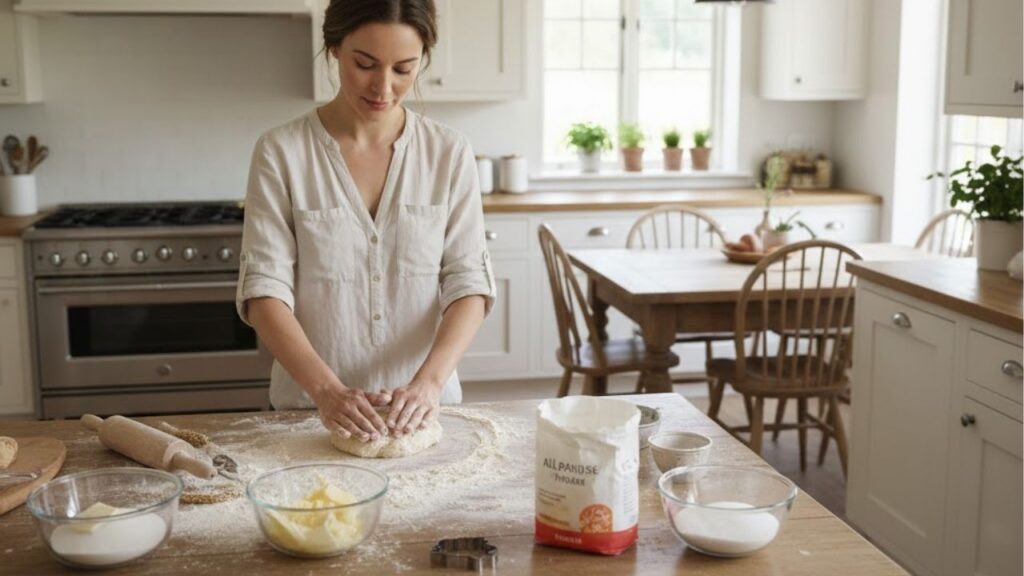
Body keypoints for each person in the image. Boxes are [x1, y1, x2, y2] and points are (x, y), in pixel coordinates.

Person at [236, 0, 494, 444]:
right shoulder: (282, 152)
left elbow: (469, 283)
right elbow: (264, 291)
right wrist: (328, 391)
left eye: (403, 69)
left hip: (425, 410)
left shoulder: (448, 153)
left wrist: (428, 384)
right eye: (365, 64)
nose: (383, 87)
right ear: (334, 48)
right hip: (308, 412)